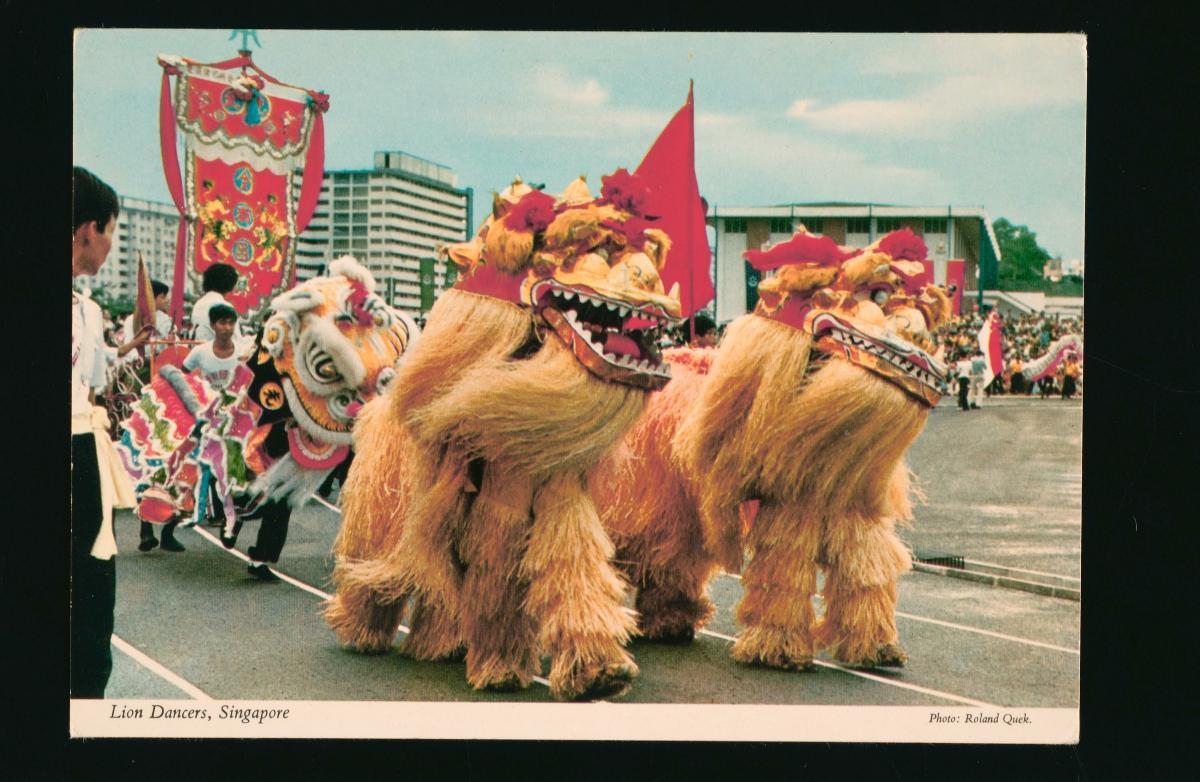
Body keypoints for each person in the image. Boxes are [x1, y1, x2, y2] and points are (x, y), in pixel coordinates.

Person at [71, 166, 134, 698]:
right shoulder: (84, 312)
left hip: (82, 447)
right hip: (74, 456)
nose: (110, 244)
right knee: (87, 603)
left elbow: (94, 380)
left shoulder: (88, 312)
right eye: (111, 230)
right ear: (89, 229)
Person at [190, 262, 238, 342]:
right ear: (229, 284)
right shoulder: (224, 306)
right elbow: (236, 341)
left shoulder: (198, 304)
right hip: (218, 352)